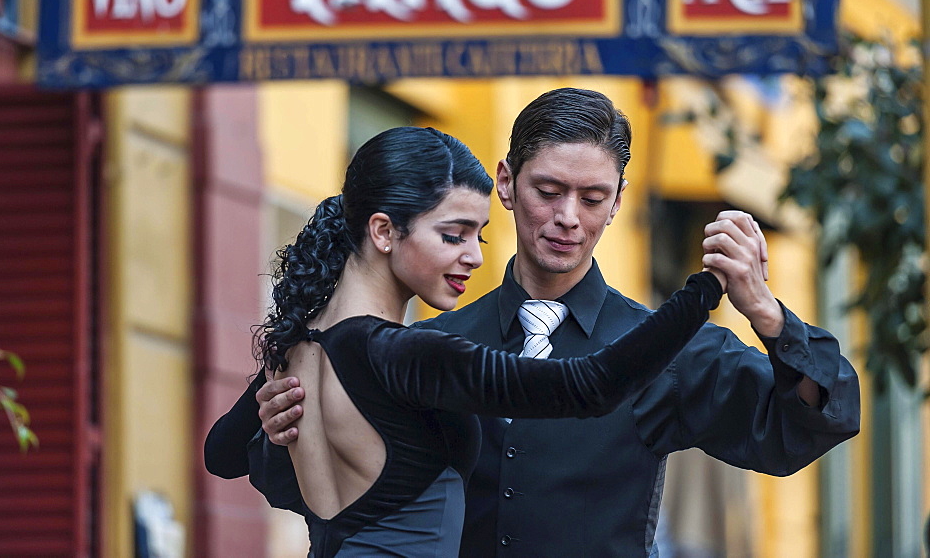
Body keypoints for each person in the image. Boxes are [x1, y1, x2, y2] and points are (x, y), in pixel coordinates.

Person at [253, 88, 862, 557]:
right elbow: (329, 500)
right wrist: (285, 436)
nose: (568, 217)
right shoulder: (429, 343)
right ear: (506, 184)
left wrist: (766, 312)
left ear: (618, 201)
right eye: (548, 190)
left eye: (592, 198)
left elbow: (806, 421)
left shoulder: (669, 351)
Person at [205, 126, 730, 557]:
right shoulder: (404, 353)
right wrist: (705, 288)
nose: (475, 258)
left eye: (477, 238)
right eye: (453, 236)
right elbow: (590, 384)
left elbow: (222, 455)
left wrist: (278, 429)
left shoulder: (295, 346)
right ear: (385, 232)